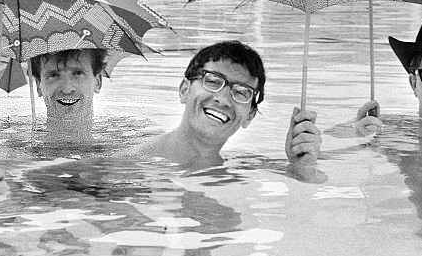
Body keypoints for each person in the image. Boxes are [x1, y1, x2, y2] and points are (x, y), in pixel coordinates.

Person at [134, 40, 321, 172]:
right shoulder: (131, 163)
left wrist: (303, 166)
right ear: (185, 90)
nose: (223, 99)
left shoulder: (244, 170)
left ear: (249, 116)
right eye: (213, 81)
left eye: (241, 92)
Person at [28, 48, 107, 145]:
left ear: (98, 82)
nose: (67, 89)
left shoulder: (119, 138)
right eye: (53, 75)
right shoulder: (19, 142)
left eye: (78, 73)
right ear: (38, 86)